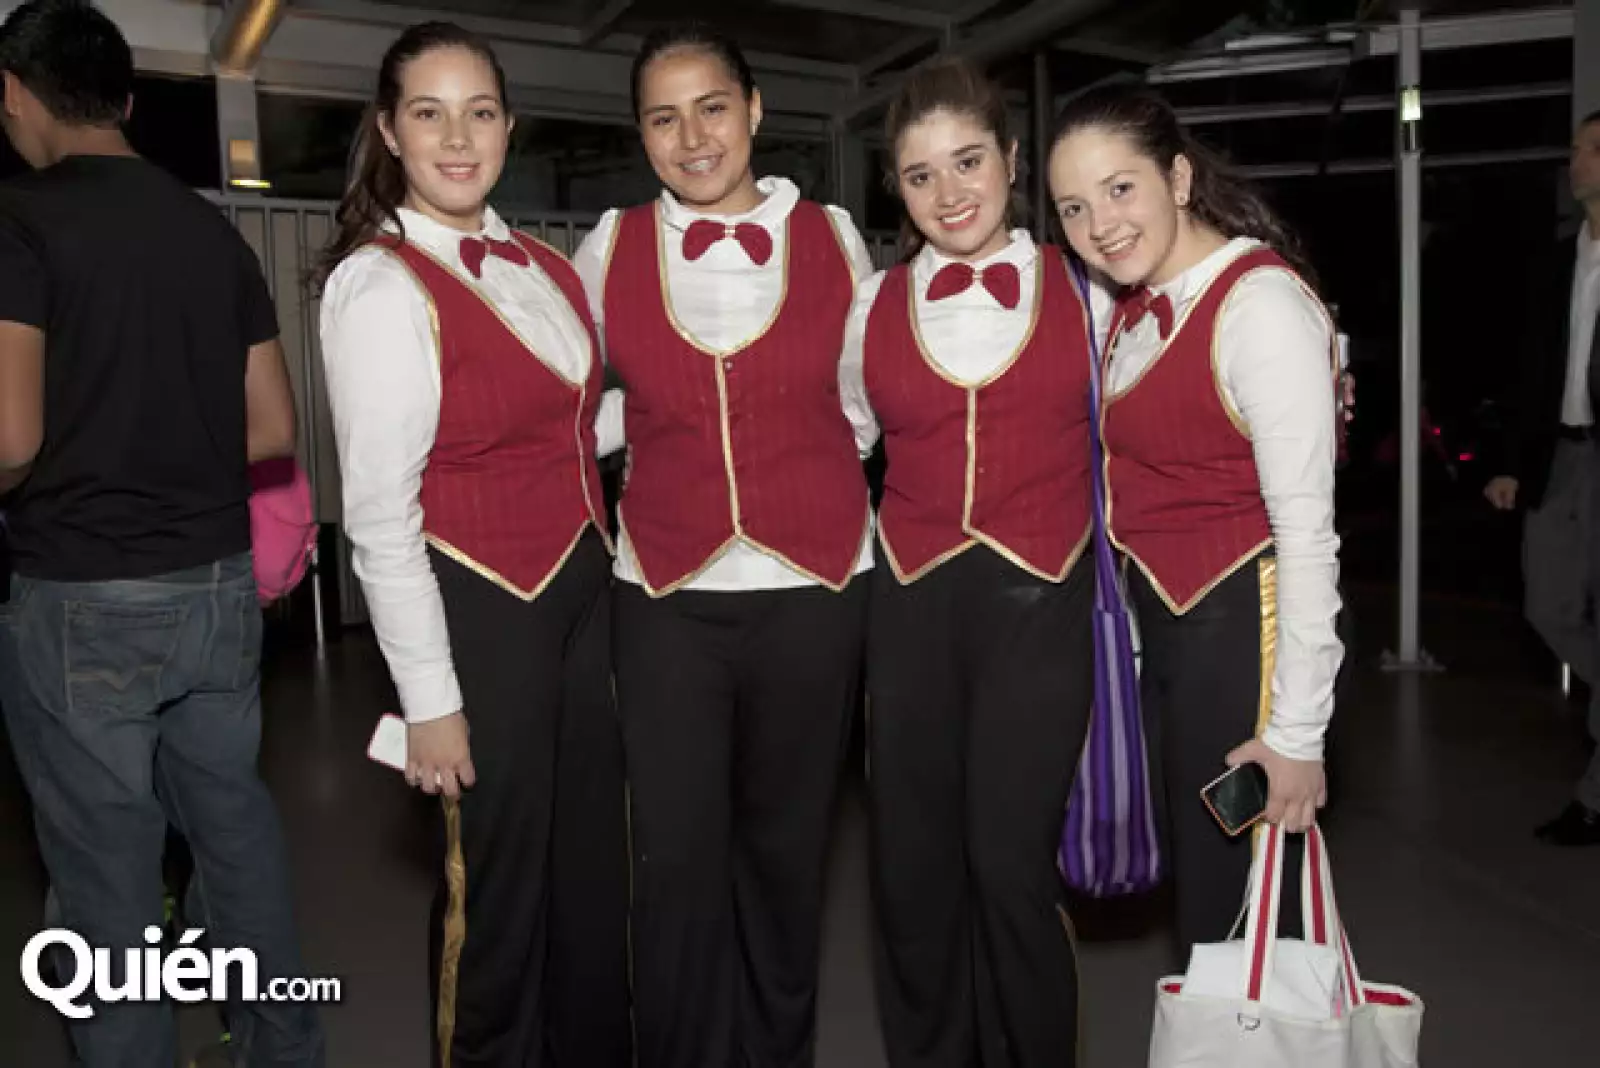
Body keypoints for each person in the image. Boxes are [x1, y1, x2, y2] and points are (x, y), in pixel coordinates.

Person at [0, 2, 323, 1066]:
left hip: (84, 592)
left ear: (12, 94)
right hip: (219, 590)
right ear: (127, 102)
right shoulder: (209, 229)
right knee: (234, 834)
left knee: (108, 886)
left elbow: (10, 438)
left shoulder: (20, 221)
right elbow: (273, 426)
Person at [316, 21, 630, 1068]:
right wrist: (432, 700)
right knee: (491, 895)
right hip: (481, 615)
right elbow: (378, 517)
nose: (458, 136)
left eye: (481, 111)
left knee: (587, 878)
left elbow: (569, 427)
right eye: (428, 112)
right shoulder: (379, 284)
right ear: (388, 133)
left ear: (508, 126)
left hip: (584, 604)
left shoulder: (540, 261)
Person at [570, 23, 876, 1068]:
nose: (691, 135)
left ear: (752, 110)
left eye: (711, 106)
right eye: (662, 116)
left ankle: (778, 1050)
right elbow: (576, 406)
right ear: (640, 134)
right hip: (662, 593)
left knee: (787, 855)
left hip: (813, 588)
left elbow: (861, 406)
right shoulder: (608, 245)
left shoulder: (836, 236)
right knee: (675, 860)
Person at [836, 60, 1099, 1068]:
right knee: (910, 873)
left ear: (1013, 160)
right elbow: (838, 442)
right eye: (918, 176)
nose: (949, 194)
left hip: (1041, 613)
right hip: (907, 615)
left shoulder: (1090, 290)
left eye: (968, 162)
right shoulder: (872, 305)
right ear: (893, 191)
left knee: (1007, 866)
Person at [1047, 83, 1343, 954]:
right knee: (1212, 912)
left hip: (1244, 645)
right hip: (1173, 644)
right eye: (1073, 206)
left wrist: (1295, 736)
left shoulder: (1260, 307)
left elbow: (1308, 536)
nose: (1099, 224)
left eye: (1120, 187)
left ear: (1177, 177)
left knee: (1242, 921)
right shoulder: (1131, 309)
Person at [1484, 109, 1600, 847]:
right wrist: (1507, 461)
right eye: (1575, 148)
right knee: (1546, 603)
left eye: (1590, 149)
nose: (1576, 160)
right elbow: (1530, 368)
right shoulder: (1563, 261)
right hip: (1562, 455)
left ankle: (1594, 798)